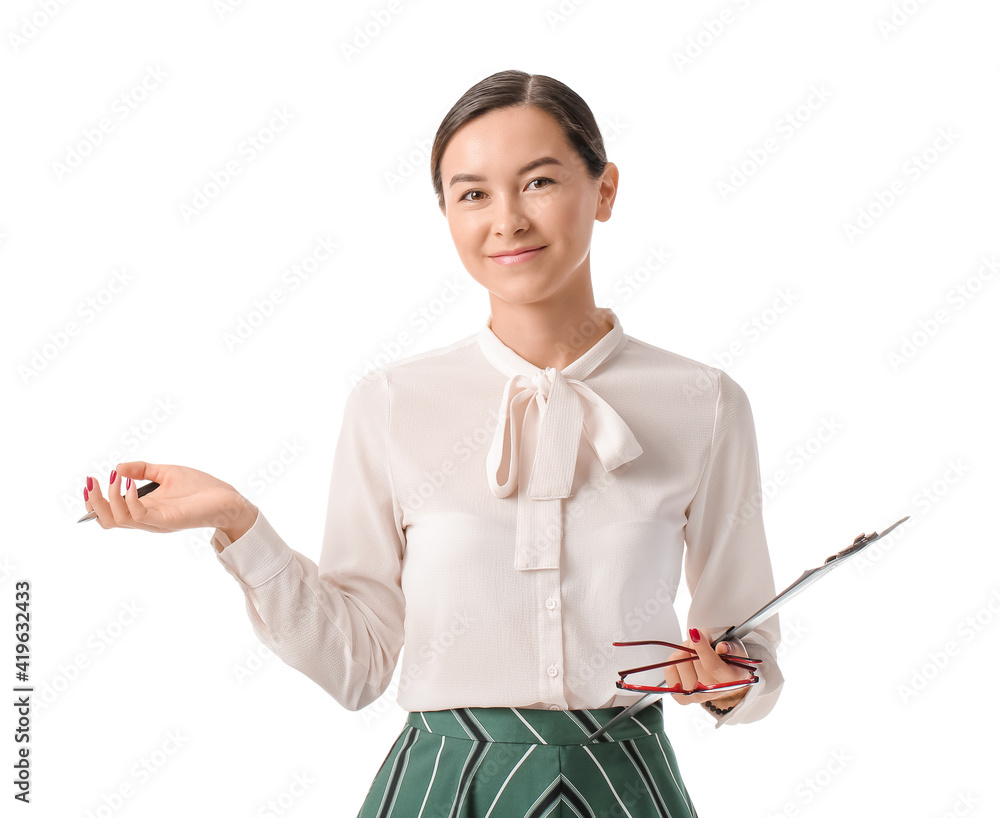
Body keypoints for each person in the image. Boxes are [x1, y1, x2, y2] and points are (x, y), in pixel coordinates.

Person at [81, 69, 783, 817]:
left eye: (539, 182)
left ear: (604, 190)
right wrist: (237, 523)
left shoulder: (702, 403)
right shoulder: (391, 404)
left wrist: (729, 682)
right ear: (446, 211)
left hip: (624, 784)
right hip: (448, 790)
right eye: (473, 193)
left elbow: (751, 647)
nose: (506, 220)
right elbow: (357, 668)